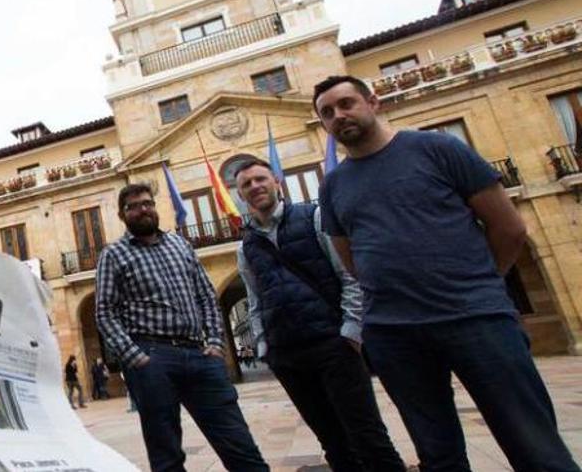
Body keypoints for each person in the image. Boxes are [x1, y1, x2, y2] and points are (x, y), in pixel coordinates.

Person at [314, 75, 579, 471]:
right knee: (437, 454)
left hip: (476, 319)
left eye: (347, 103)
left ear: (374, 101)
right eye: (327, 113)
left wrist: (482, 283)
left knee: (533, 443)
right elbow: (350, 257)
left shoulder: (438, 148)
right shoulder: (333, 185)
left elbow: (509, 228)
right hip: (394, 333)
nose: (339, 116)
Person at [235, 158, 405, 472]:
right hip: (287, 355)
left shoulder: (313, 217)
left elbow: (349, 275)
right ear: (241, 195)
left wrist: (352, 330)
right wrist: (264, 347)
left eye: (260, 179)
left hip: (333, 345)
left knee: (368, 437)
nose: (255, 187)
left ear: (277, 182)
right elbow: (254, 299)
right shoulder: (246, 246)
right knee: (332, 442)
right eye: (246, 184)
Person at [96, 183, 268, 472]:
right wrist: (135, 358)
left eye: (147, 203)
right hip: (152, 358)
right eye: (134, 206)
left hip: (200, 354)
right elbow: (105, 312)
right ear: (122, 214)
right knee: (167, 455)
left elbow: (206, 297)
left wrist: (214, 343)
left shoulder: (180, 245)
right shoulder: (113, 255)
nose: (142, 209)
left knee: (238, 443)